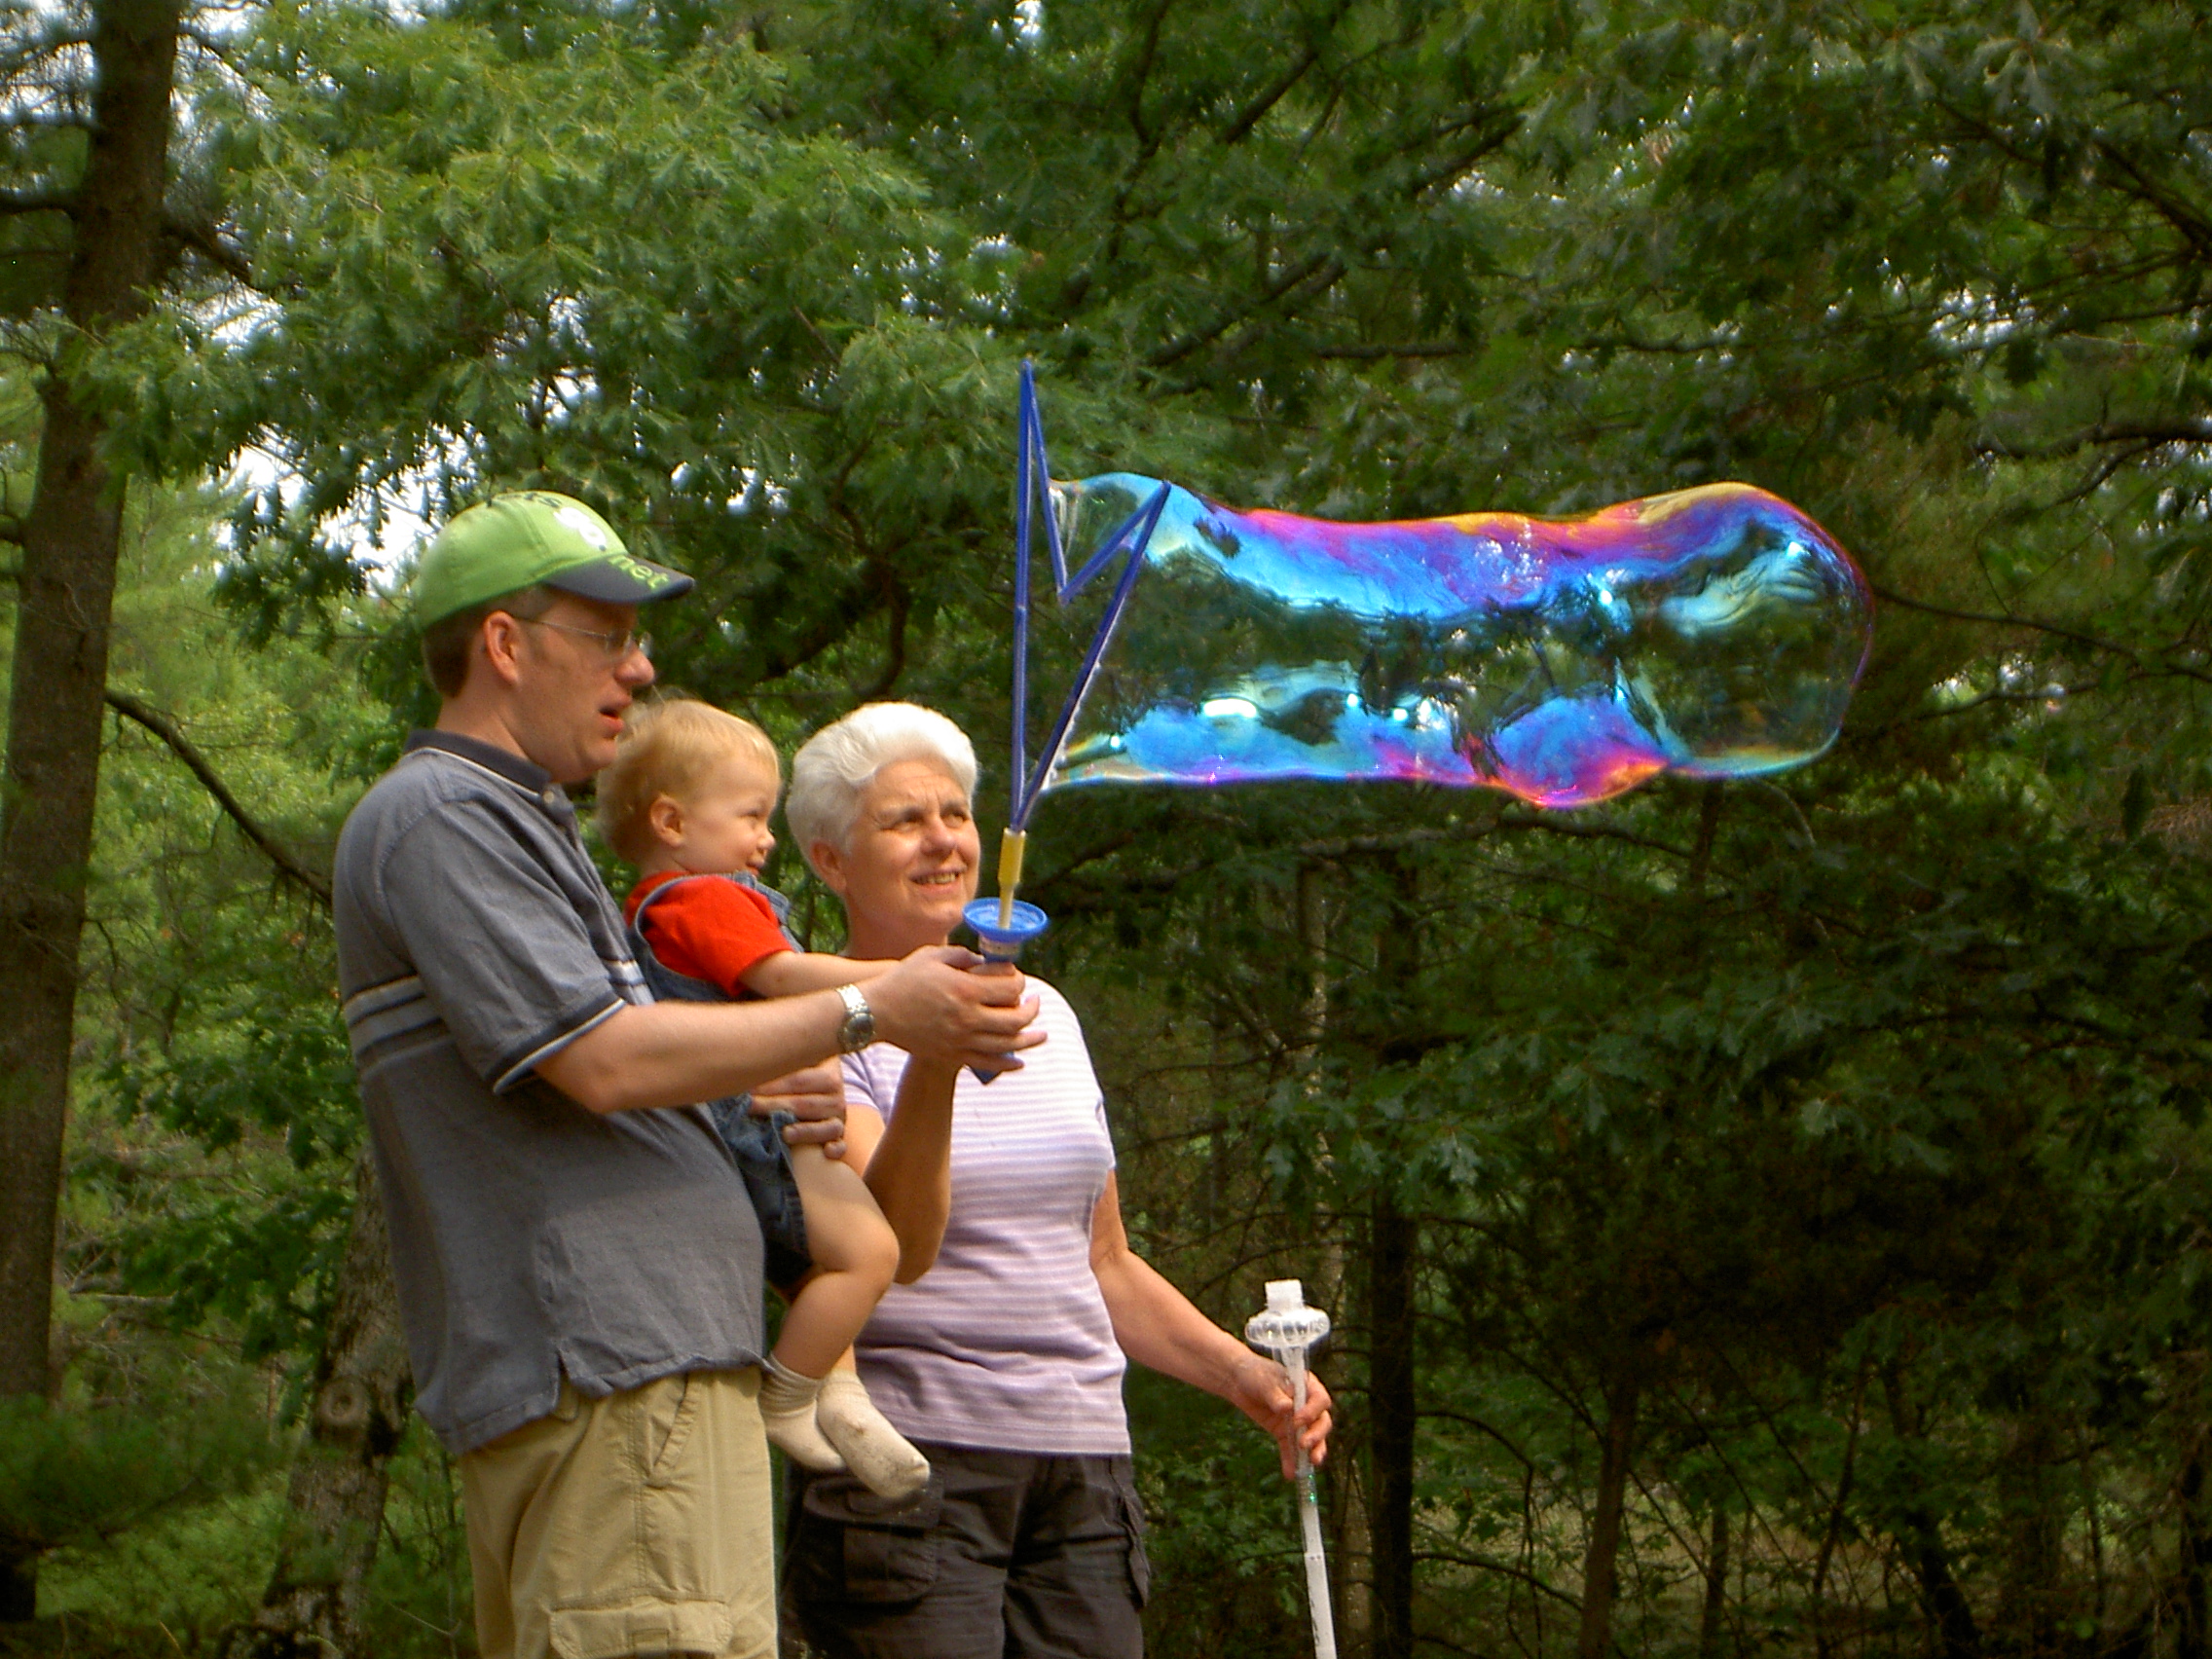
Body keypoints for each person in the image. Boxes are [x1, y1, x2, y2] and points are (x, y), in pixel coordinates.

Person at [332, 494, 1041, 1659]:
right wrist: (869, 1010)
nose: (641, 666)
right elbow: (602, 1062)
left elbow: (613, 1062)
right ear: (505, 644)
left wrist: (745, 1092)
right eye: (608, 635)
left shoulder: (520, 823)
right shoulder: (445, 815)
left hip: (641, 1383)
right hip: (615, 1380)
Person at [776, 702, 1335, 1659]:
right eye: (904, 820)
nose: (943, 840)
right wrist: (938, 1053)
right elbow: (897, 1245)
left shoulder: (1050, 1014)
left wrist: (1239, 1374)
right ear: (832, 861)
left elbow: (1102, 1262)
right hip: (908, 1475)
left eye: (956, 814)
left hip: (1082, 1470)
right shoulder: (814, 1022)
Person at [597, 696, 928, 1498]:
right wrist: (901, 980)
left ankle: (840, 1395)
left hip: (740, 1125)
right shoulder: (701, 898)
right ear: (673, 822)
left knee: (831, 1257)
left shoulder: (671, 904)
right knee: (870, 1253)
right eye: (751, 815)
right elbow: (781, 978)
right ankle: (788, 1395)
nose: (767, 837)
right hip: (750, 1125)